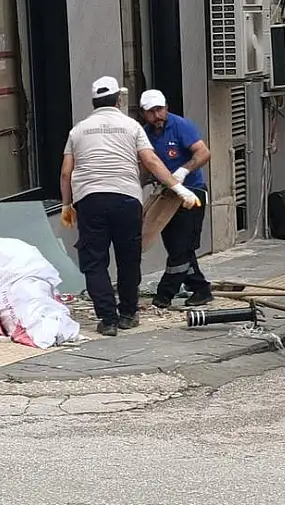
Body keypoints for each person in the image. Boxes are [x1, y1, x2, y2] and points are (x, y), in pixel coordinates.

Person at [61, 76, 200, 337]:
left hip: (90, 200)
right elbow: (151, 161)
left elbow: (66, 173)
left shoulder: (78, 130)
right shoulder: (132, 126)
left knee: (94, 262)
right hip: (126, 200)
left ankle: (107, 320)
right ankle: (127, 314)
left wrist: (67, 205)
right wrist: (180, 189)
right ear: (118, 99)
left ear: (94, 101)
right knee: (128, 259)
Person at [139, 89, 214, 309]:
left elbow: (203, 153)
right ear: (144, 114)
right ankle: (201, 289)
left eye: (159, 109)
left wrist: (183, 171)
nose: (157, 115)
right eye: (151, 112)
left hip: (191, 192)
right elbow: (146, 166)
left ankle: (164, 295)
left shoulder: (180, 126)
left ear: (166, 107)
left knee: (181, 247)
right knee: (176, 247)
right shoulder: (146, 134)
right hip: (166, 195)